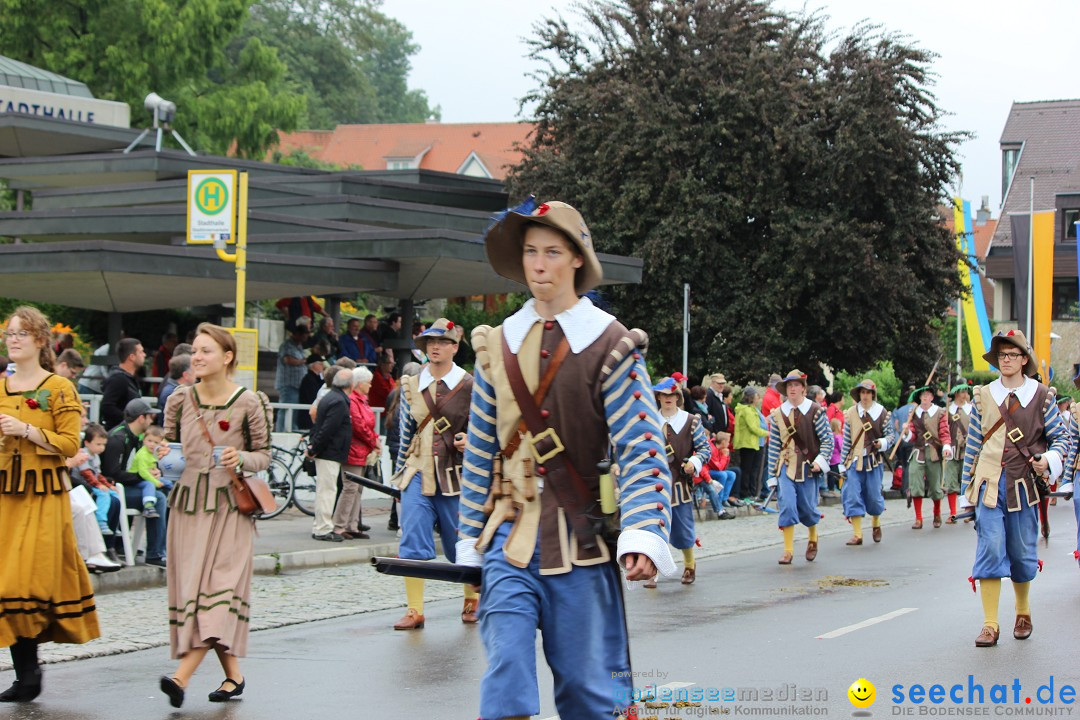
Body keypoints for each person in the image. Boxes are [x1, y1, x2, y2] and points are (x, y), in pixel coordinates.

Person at [457, 199, 675, 720]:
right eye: (530, 251)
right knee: (505, 673)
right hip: (507, 541)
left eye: (552, 251)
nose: (538, 263)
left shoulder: (610, 344)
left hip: (580, 545)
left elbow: (641, 447)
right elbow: (482, 447)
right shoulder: (499, 342)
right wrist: (469, 538)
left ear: (577, 258)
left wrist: (643, 530)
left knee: (588, 696)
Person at [157, 323, 272, 707]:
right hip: (188, 507)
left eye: (206, 351)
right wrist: (160, 455)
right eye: (195, 351)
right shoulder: (179, 399)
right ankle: (234, 676)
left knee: (217, 597)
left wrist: (241, 457)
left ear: (227, 358)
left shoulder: (249, 402)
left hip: (229, 510)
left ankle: (180, 678)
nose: (197, 357)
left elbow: (264, 455)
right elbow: (167, 444)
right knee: (196, 596)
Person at [0, 306, 99, 702]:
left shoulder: (59, 387)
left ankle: (30, 668)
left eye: (22, 333)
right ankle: (26, 673)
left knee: (29, 580)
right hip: (6, 493)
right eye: (10, 333)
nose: (14, 339)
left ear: (41, 340)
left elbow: (71, 445)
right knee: (5, 584)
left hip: (43, 495)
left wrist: (27, 429)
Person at [964, 330, 1066, 648]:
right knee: (990, 548)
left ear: (1024, 359)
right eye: (1002, 355)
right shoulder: (983, 396)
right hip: (989, 484)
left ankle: (1022, 612)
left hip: (1023, 485)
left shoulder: (1042, 395)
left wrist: (1048, 459)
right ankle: (990, 624)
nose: (1007, 360)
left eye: (1013, 354)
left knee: (1022, 555)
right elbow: (972, 446)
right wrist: (965, 493)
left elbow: (1061, 439)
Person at [392, 318, 476, 629]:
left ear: (455, 347)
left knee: (462, 541)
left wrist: (473, 442)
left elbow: (484, 430)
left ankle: (472, 599)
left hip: (457, 474)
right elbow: (405, 433)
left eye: (441, 342)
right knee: (412, 537)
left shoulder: (470, 385)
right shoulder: (411, 384)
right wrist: (399, 473)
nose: (434, 347)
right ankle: (415, 610)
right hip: (417, 469)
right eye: (430, 342)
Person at [645, 376, 710, 587]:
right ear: (658, 397)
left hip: (680, 484)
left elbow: (705, 449)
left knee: (682, 531)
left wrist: (694, 462)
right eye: (664, 395)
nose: (668, 398)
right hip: (654, 485)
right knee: (653, 529)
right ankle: (652, 570)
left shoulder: (691, 421)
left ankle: (689, 565)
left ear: (678, 396)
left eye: (672, 394)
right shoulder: (649, 421)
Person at [765, 369, 834, 565]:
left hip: (808, 467)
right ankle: (788, 550)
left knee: (808, 509)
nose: (792, 389)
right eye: (789, 385)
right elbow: (774, 447)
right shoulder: (778, 413)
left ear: (803, 388)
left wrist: (820, 461)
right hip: (785, 467)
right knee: (786, 505)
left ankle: (813, 537)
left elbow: (827, 441)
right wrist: (771, 476)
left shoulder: (815, 411)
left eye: (796, 385)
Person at [101, 399, 168, 566]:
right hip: (114, 491)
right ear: (141, 418)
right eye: (149, 417)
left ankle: (161, 549)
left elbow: (143, 463)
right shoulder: (118, 437)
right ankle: (154, 553)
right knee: (158, 498)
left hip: (128, 486)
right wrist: (143, 477)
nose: (151, 420)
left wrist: (155, 471)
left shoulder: (139, 438)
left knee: (162, 492)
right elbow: (112, 473)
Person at [838, 379, 894, 545]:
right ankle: (857, 534)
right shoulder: (851, 413)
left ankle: (876, 522)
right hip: (854, 461)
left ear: (872, 394)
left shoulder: (881, 413)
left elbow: (891, 436)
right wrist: (843, 463)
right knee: (852, 495)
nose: (865, 396)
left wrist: (882, 443)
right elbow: (847, 440)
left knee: (874, 496)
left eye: (868, 392)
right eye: (862, 392)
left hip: (873, 461)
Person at [306, 366, 353, 542]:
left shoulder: (331, 397)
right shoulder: (339, 401)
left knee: (326, 490)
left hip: (328, 451)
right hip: (329, 452)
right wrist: (315, 447)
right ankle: (322, 528)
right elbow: (328, 429)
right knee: (327, 491)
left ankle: (322, 526)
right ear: (351, 385)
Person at [333, 367, 379, 540]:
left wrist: (373, 440)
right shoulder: (355, 401)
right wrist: (374, 441)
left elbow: (366, 426)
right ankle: (340, 525)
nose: (370, 385)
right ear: (360, 384)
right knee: (350, 488)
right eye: (368, 382)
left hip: (361, 449)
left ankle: (351, 525)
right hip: (354, 449)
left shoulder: (361, 400)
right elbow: (359, 426)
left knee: (357, 489)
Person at [901, 385, 952, 529]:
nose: (925, 397)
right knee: (915, 483)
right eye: (923, 394)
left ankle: (937, 513)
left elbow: (944, 432)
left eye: (928, 394)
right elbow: (912, 436)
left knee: (936, 487)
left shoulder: (940, 412)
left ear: (932, 397)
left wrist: (946, 447)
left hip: (934, 452)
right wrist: (906, 432)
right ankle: (918, 518)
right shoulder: (913, 413)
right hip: (918, 451)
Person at [383, 362, 421, 533]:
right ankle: (400, 523)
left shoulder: (393, 393)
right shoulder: (413, 394)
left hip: (393, 443)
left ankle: (394, 519)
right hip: (405, 444)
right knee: (406, 484)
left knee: (397, 481)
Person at [76, 423, 123, 538]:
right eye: (98, 444)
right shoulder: (84, 454)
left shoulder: (96, 456)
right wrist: (99, 485)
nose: (102, 447)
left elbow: (98, 474)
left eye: (103, 445)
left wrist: (107, 484)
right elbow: (87, 473)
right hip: (85, 485)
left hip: (94, 483)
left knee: (115, 495)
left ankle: (113, 524)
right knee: (104, 494)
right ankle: (101, 521)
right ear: (87, 443)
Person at [100, 337, 145, 430]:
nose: (144, 355)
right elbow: (107, 406)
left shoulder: (129, 378)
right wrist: (130, 420)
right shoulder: (118, 379)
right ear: (132, 357)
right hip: (118, 433)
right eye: (141, 352)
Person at [944, 382, 973, 523]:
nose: (964, 394)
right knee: (950, 482)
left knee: (967, 481)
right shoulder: (948, 411)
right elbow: (943, 430)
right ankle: (953, 512)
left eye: (966, 392)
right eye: (962, 392)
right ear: (956, 393)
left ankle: (968, 511)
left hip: (968, 450)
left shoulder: (971, 409)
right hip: (952, 449)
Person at [733, 386, 769, 504]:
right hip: (747, 443)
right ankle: (745, 494)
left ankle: (753, 493)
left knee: (755, 470)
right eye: (757, 396)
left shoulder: (754, 409)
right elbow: (753, 428)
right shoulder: (747, 410)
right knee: (747, 470)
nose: (758, 399)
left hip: (756, 443)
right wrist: (768, 433)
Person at [274, 321, 309, 432]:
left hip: (298, 384)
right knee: (286, 408)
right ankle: (282, 431)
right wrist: (303, 361)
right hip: (288, 383)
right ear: (297, 334)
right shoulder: (287, 345)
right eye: (304, 335)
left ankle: (291, 429)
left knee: (294, 409)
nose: (306, 337)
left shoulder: (299, 346)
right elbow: (287, 359)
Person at [130, 424, 172, 497]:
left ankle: (171, 498)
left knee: (168, 482)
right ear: (144, 440)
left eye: (156, 442)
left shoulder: (154, 453)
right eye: (149, 441)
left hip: (149, 476)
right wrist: (156, 482)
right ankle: (149, 504)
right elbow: (143, 472)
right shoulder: (143, 454)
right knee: (150, 485)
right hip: (137, 479)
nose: (152, 444)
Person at [157, 353, 195, 426]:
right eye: (194, 371)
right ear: (186, 375)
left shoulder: (171, 388)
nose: (196, 375)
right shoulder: (174, 394)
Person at [296, 354, 326, 432]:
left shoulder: (315, 378)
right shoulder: (308, 379)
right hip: (307, 417)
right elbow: (313, 397)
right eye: (320, 363)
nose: (323, 366)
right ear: (313, 365)